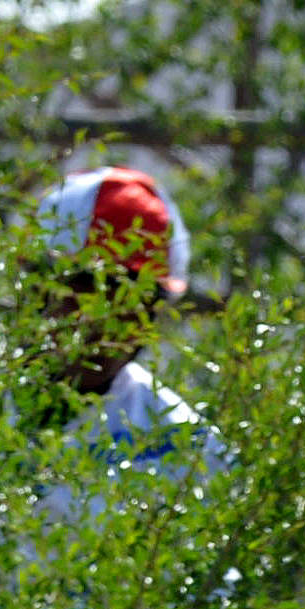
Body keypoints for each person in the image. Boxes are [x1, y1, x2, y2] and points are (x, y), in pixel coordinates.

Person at [32, 165, 209, 467]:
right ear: (36, 289)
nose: (106, 320)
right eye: (88, 288)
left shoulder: (184, 448)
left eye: (135, 299)